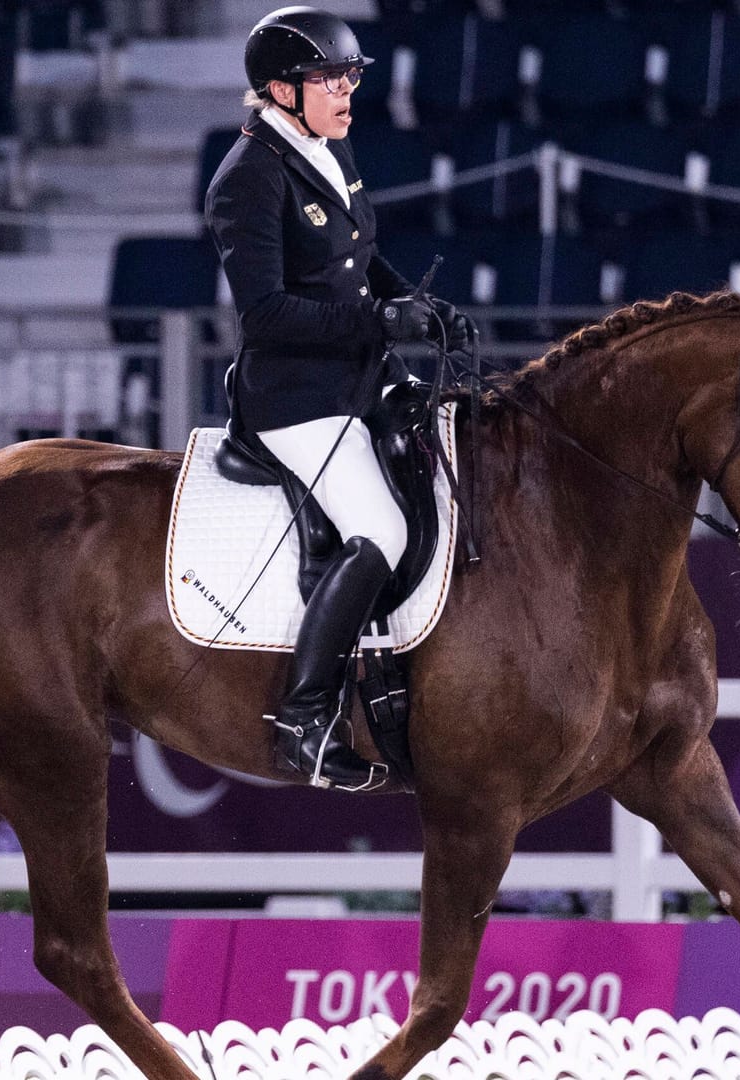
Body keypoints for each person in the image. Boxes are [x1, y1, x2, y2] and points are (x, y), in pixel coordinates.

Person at [205, 7, 479, 789]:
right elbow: (264, 314)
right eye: (330, 79)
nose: (346, 89)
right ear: (280, 90)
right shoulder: (246, 179)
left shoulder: (327, 146)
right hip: (293, 397)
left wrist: (419, 309)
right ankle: (305, 718)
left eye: (351, 75)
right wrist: (376, 320)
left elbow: (359, 257)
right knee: (381, 529)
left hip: (355, 377)